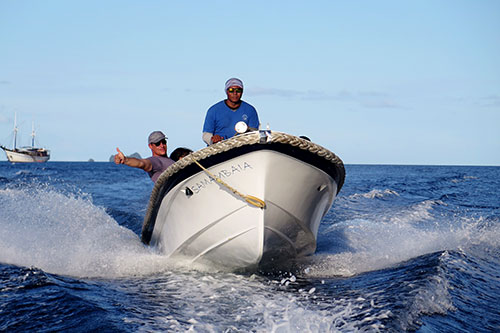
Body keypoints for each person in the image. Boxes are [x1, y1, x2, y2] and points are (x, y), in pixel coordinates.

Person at [202, 78, 260, 145]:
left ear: (242, 92)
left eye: (238, 90)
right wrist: (213, 139)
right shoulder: (214, 110)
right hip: (219, 148)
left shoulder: (250, 110)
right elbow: (206, 134)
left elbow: (255, 132)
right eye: (231, 90)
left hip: (242, 147)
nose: (235, 93)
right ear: (226, 92)